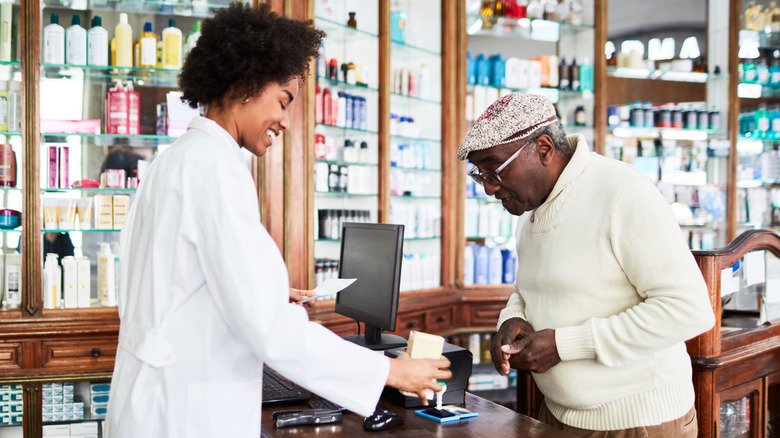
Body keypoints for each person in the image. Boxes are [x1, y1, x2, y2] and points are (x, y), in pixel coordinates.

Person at [105, 4, 450, 437]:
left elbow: (159, 281)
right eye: (283, 101)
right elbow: (271, 331)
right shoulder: (216, 170)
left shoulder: (172, 161)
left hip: (145, 404)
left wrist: (243, 289)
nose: (285, 121)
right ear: (247, 85)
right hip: (185, 413)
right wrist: (389, 372)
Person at [459, 93, 715, 438]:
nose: (488, 187)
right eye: (480, 174)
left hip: (637, 425)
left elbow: (688, 309)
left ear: (544, 148)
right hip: (560, 417)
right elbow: (528, 287)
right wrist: (513, 317)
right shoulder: (532, 208)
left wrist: (566, 344)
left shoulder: (622, 193)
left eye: (494, 170)